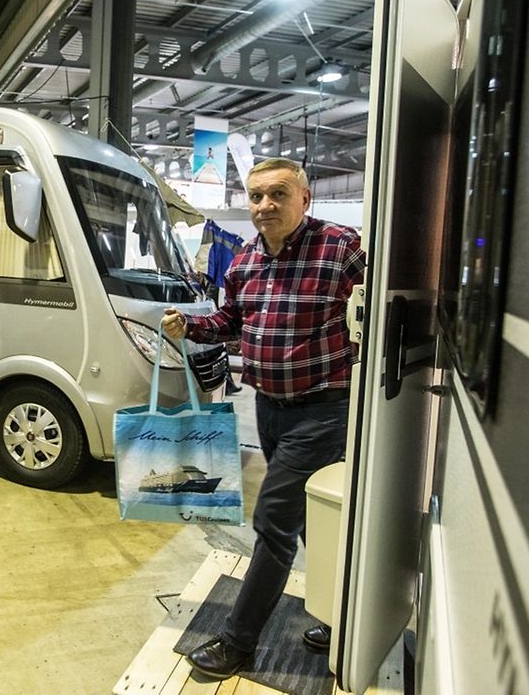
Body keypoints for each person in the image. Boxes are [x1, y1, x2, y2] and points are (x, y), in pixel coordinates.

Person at [161, 158, 364, 680]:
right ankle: (343, 618)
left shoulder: (342, 248)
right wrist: (191, 326)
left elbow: (384, 305)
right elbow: (232, 321)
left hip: (322, 412)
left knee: (274, 523)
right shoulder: (247, 260)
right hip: (268, 410)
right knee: (313, 525)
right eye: (255, 196)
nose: (264, 206)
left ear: (304, 198)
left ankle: (239, 642)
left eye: (277, 194)